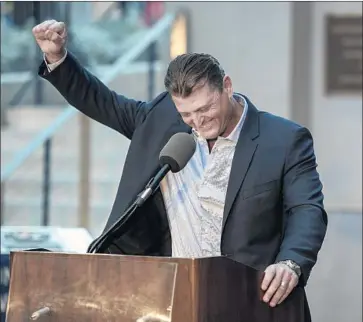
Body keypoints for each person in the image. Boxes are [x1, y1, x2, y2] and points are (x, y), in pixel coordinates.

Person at [32, 20, 327, 320]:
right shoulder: (163, 121)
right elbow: (104, 103)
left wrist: (291, 262)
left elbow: (307, 209)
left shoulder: (284, 139)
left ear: (227, 86)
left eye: (205, 109)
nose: (198, 122)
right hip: (173, 301)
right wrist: (58, 58)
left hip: (252, 301)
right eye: (186, 113)